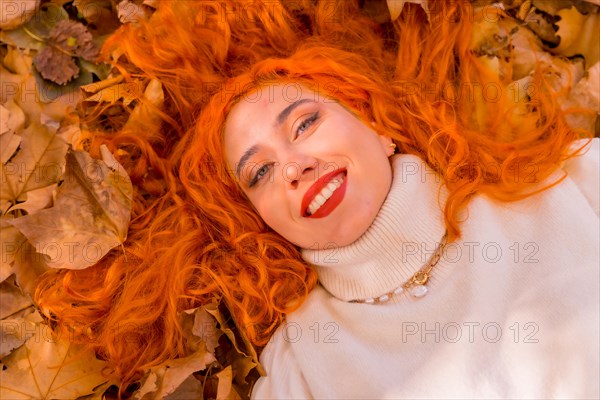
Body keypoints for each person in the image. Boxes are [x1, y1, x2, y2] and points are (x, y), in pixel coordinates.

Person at [36, 0, 599, 398]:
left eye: (304, 124)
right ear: (259, 222)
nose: (294, 165)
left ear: (379, 124)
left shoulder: (564, 183)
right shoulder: (302, 366)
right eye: (258, 172)